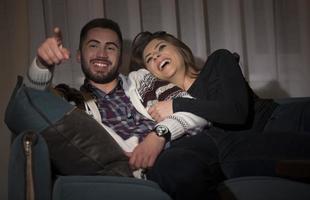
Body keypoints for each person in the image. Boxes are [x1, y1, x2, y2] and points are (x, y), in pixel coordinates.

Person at [26, 18, 219, 200]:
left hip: (179, 148)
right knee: (178, 167)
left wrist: (159, 135)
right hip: (147, 171)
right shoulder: (71, 100)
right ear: (79, 54)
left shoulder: (143, 80)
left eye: (111, 47)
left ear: (120, 57)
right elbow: (29, 104)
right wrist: (42, 65)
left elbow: (194, 109)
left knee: (191, 155)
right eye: (93, 45)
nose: (102, 54)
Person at [130, 31, 310, 198]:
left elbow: (235, 113)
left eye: (161, 48)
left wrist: (177, 104)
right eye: (150, 59)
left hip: (286, 119)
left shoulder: (218, 61)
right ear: (150, 72)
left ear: (179, 49)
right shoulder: (168, 110)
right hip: (250, 149)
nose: (157, 56)